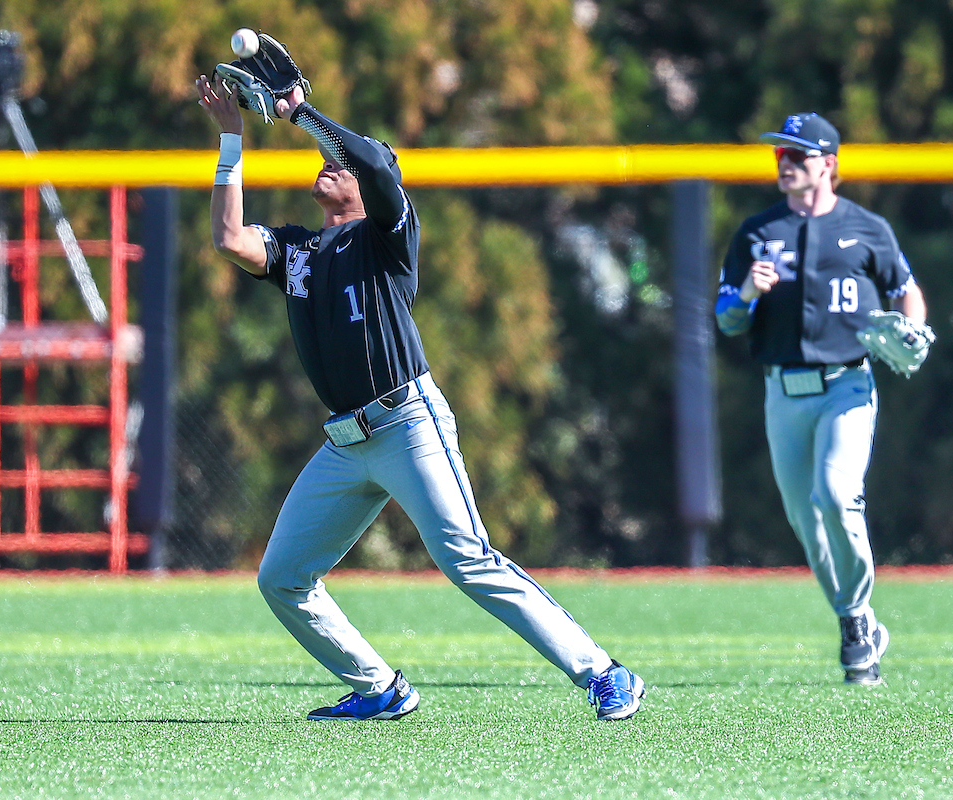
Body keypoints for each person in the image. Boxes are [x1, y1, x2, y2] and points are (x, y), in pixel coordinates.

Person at [193, 72, 644, 720]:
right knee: (281, 578)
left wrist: (301, 113)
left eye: (336, 162)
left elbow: (376, 161)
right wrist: (231, 139)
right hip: (346, 445)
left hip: (408, 423)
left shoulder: (386, 236)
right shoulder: (299, 251)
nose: (328, 166)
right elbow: (230, 239)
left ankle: (604, 672)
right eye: (324, 159)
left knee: (467, 559)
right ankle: (378, 686)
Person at [714, 112, 930, 685]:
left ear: (829, 165)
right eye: (780, 156)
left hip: (847, 386)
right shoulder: (758, 233)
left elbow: (907, 292)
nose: (785, 165)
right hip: (783, 393)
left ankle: (856, 620)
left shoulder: (867, 228)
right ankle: (855, 616)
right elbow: (727, 321)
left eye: (798, 156)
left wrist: (913, 329)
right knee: (807, 523)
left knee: (836, 497)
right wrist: (744, 294)